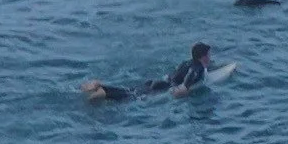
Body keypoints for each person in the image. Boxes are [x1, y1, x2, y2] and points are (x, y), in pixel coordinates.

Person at [81, 41, 216, 102]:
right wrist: (183, 93)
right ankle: (102, 91)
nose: (210, 57)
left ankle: (97, 87)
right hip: (164, 88)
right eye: (209, 55)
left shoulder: (186, 62)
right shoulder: (197, 68)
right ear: (203, 56)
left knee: (131, 91)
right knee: (130, 96)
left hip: (159, 81)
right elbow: (186, 84)